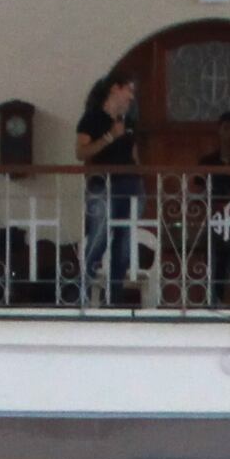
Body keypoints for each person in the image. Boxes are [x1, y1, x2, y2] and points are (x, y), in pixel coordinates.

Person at [77, 69, 148, 297]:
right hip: (103, 185)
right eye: (129, 90)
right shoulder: (92, 118)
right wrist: (110, 137)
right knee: (98, 236)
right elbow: (81, 151)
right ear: (114, 88)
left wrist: (140, 179)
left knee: (124, 242)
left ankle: (114, 296)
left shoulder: (129, 121)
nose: (131, 97)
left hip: (130, 185)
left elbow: (134, 154)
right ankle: (83, 290)